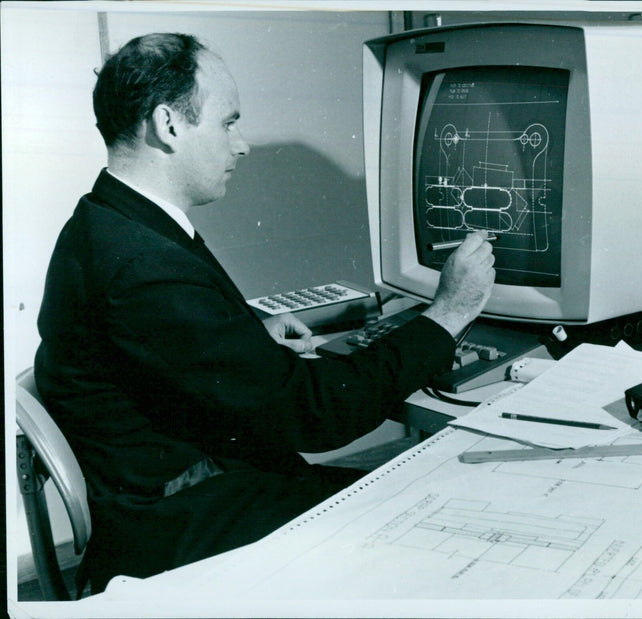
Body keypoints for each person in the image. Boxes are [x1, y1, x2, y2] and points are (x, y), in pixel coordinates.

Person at [34, 32, 495, 593]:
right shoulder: (144, 265)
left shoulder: (106, 221)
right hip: (188, 530)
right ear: (168, 125)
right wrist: (448, 314)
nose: (242, 143)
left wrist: (243, 335)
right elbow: (316, 417)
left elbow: (157, 347)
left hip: (172, 495)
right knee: (444, 524)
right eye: (228, 122)